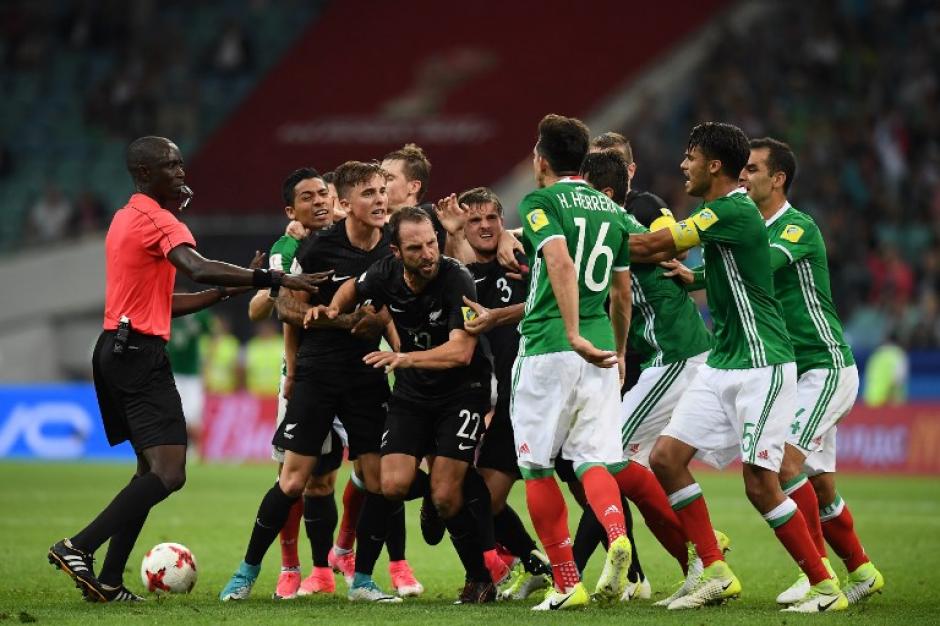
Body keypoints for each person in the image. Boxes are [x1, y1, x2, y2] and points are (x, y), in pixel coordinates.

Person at [47, 135, 329, 602]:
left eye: (180, 164)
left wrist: (226, 293)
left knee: (147, 472)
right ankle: (78, 546)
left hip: (117, 347)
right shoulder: (158, 220)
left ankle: (110, 581)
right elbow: (196, 266)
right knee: (170, 473)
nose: (181, 173)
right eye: (171, 165)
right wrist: (273, 277)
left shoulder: (123, 219)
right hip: (137, 355)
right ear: (143, 173)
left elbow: (163, 300)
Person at [629, 122, 846, 612]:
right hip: (722, 363)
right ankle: (715, 570)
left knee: (760, 483)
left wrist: (577, 245)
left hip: (762, 363)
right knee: (665, 457)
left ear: (712, 165)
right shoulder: (716, 211)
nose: (682, 165)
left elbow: (656, 245)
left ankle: (824, 584)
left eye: (690, 157)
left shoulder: (730, 209)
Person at [220, 161, 412, 603]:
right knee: (294, 481)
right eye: (369, 193)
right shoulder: (320, 248)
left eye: (383, 191)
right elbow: (286, 308)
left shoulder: (392, 248)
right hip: (318, 374)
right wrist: (346, 321)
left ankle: (362, 581)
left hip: (367, 375)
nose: (381, 200)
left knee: (378, 481)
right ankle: (247, 572)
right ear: (346, 204)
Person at [321, 206, 507, 604]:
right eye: (416, 247)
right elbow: (352, 287)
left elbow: (460, 352)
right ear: (395, 251)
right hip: (413, 392)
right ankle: (363, 584)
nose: (428, 254)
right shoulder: (383, 274)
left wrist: (403, 358)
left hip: (463, 389)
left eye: (432, 243)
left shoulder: (456, 277)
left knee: (445, 493)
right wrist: (335, 310)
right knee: (390, 484)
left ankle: (479, 579)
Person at [739, 137, 883, 605]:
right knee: (820, 485)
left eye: (752, 168)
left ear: (777, 178)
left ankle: (816, 574)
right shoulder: (756, 229)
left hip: (825, 368)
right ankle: (861, 570)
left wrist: (714, 245)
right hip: (796, 373)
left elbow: (762, 266)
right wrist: (691, 275)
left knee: (782, 466)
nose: (743, 176)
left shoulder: (797, 227)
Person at [579, 149, 718, 605]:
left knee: (604, 449)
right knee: (644, 465)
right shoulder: (607, 229)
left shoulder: (635, 217)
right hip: (668, 355)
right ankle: (701, 558)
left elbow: (671, 242)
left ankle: (700, 556)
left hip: (675, 354)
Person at [510, 114, 633, 611]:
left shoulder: (541, 201)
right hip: (603, 352)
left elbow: (559, 262)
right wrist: (619, 351)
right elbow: (622, 294)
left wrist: (574, 332)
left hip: (550, 345)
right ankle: (617, 533)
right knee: (592, 460)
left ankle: (566, 583)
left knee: (536, 466)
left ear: (541, 159)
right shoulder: (612, 210)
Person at [246, 166, 347, 600]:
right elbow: (255, 310)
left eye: (323, 193)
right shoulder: (286, 249)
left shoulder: (351, 237)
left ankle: (328, 567)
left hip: (353, 372)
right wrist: (278, 272)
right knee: (292, 478)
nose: (320, 201)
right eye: (308, 197)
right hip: (303, 376)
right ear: (292, 209)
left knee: (327, 482)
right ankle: (290, 567)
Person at [455, 187, 553, 600]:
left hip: (541, 392)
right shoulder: (462, 278)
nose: (484, 227)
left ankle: (628, 572)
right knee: (483, 500)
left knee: (586, 484)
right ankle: (539, 566)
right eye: (473, 220)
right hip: (507, 403)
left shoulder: (524, 261)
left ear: (502, 220)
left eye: (491, 218)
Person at [166, 308, 211, 455]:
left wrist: (207, 359)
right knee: (174, 416)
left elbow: (213, 332)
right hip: (173, 374)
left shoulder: (199, 315)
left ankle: (198, 452)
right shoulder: (165, 312)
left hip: (192, 376)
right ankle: (178, 450)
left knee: (192, 417)